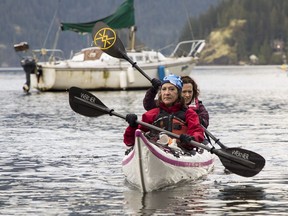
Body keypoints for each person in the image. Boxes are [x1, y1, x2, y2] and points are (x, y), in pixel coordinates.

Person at [123, 74, 205, 151]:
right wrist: (132, 126)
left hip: (181, 150)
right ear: (160, 93)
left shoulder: (189, 114)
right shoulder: (151, 115)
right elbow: (130, 142)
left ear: (178, 93)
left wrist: (191, 139)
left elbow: (197, 132)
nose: (167, 93)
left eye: (172, 89)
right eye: (164, 89)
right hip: (156, 149)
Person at [143, 76, 209, 128]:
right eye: (184, 92)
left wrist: (190, 117)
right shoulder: (165, 104)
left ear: (193, 92)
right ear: (179, 93)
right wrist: (153, 89)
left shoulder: (198, 108)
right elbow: (148, 105)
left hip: (187, 137)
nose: (187, 95)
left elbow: (204, 123)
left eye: (190, 91)